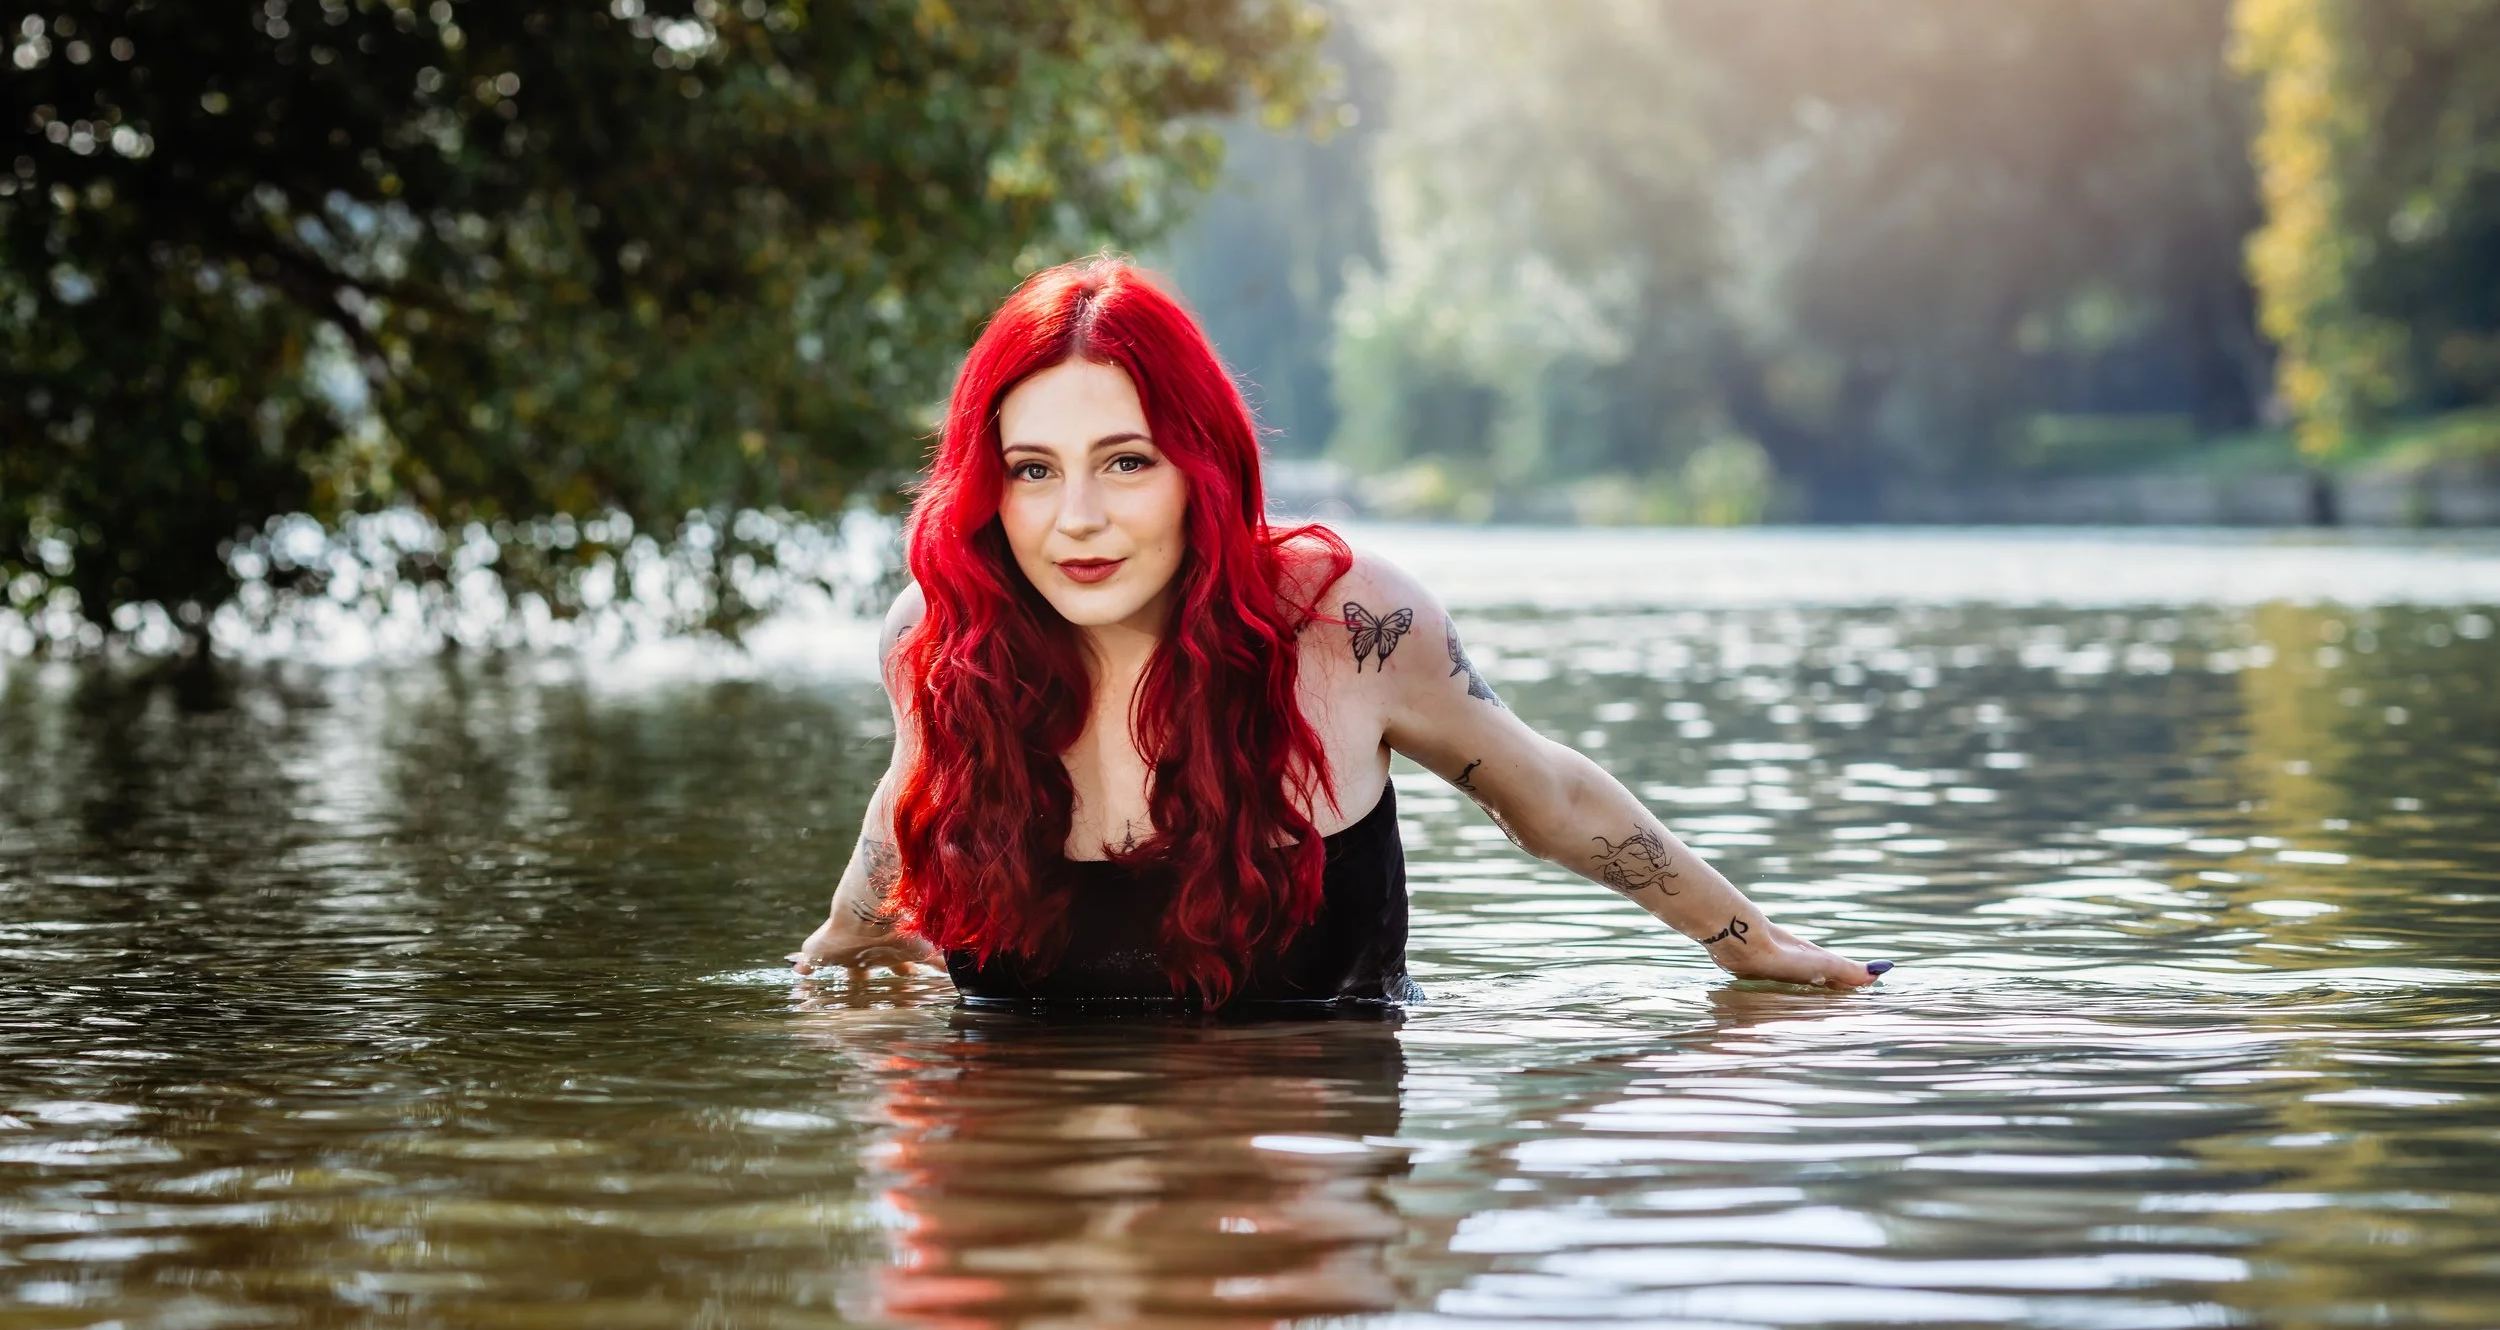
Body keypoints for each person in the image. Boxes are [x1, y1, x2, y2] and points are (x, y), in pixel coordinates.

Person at [789, 257, 1891, 1005]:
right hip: (1022, 1188)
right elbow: (916, 781)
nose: (1077, 517)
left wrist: (1748, 944)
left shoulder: (1348, 623)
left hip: (1293, 1185)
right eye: (1033, 471)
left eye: (1126, 462)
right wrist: (847, 939)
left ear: (1202, 468)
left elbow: (1547, 799)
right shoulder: (946, 636)